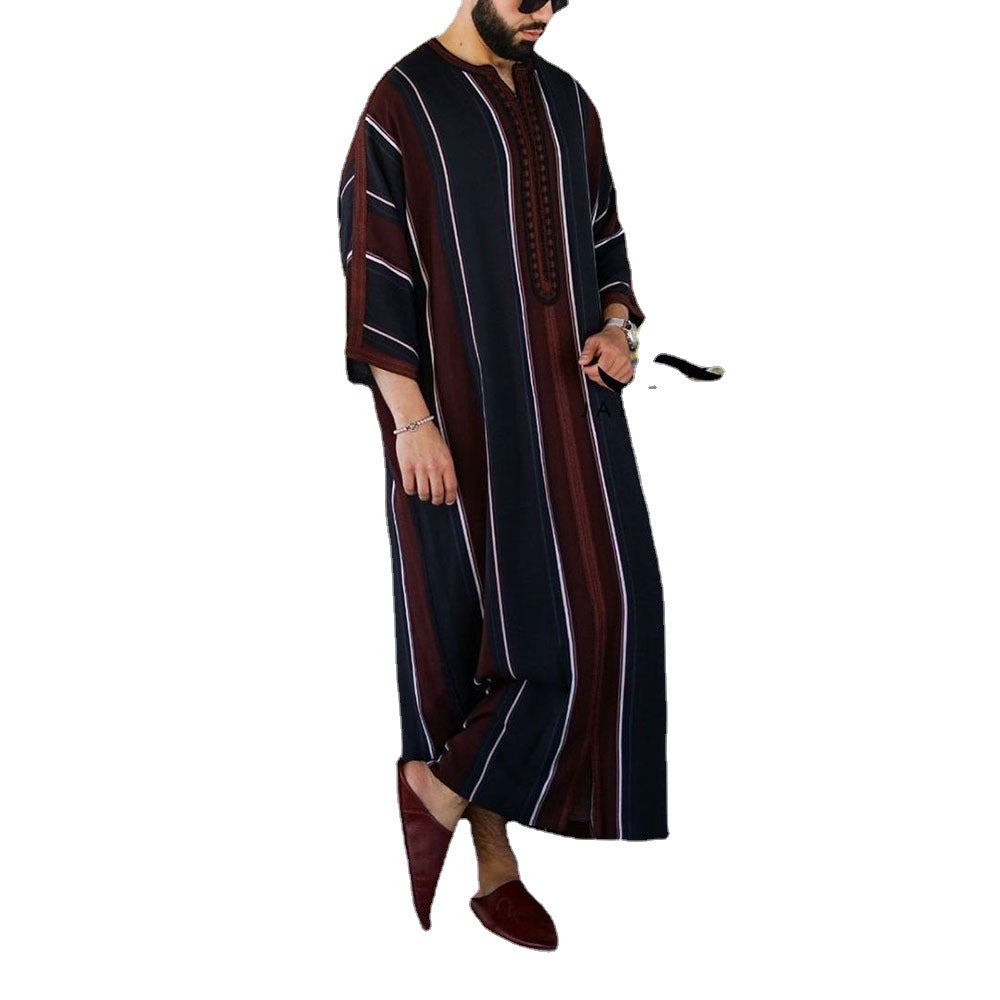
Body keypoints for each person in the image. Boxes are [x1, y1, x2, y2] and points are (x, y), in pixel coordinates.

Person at [338, 0, 667, 950]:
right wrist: (412, 423)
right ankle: (495, 867)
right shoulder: (402, 105)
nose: (546, 14)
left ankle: (438, 787)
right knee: (468, 628)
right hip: (458, 417)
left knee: (613, 609)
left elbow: (603, 238)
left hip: (571, 408)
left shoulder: (567, 101)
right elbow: (373, 269)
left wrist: (618, 328)